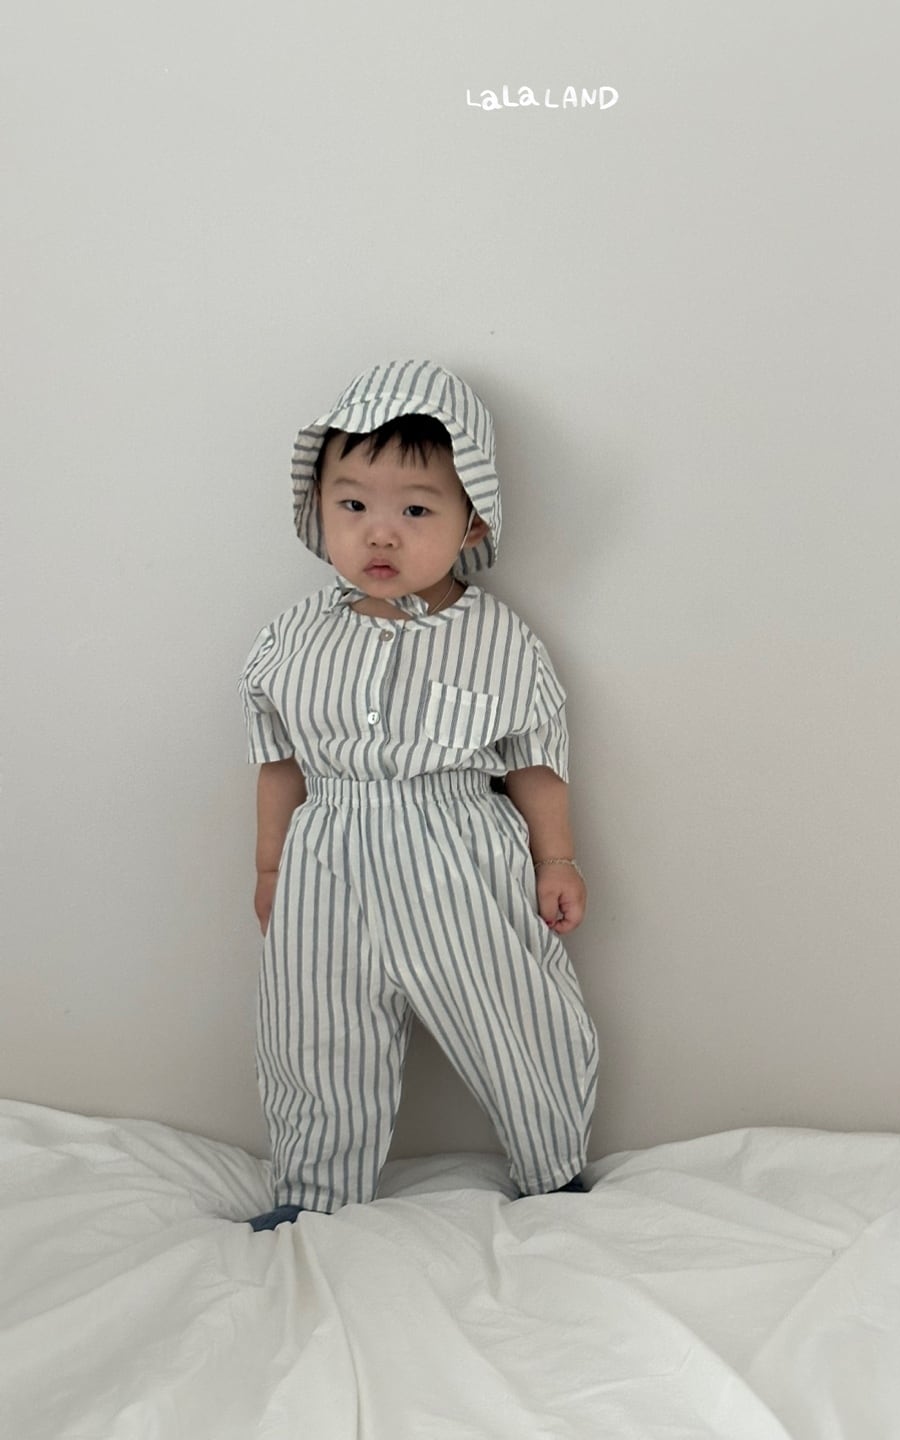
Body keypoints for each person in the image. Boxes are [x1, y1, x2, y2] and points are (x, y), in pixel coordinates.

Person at [238, 360, 598, 1229]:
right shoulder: (295, 635)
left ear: (472, 519)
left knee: (512, 1008)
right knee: (315, 1026)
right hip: (326, 855)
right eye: (353, 504)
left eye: (415, 511)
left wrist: (557, 858)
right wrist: (270, 866)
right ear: (317, 508)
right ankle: (314, 1193)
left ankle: (552, 1167)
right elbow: (279, 760)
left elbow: (534, 761)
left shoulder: (499, 638)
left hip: (457, 849)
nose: (380, 534)